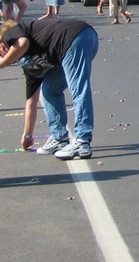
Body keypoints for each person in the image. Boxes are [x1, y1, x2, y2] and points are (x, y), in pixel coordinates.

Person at [0, 17, 99, 160]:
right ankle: (59, 138)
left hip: (75, 37)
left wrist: (2, 63)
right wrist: (27, 135)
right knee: (50, 89)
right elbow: (31, 102)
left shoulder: (10, 33)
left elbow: (22, 43)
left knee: (78, 88)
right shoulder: (30, 66)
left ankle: (82, 140)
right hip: (70, 47)